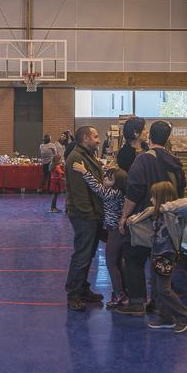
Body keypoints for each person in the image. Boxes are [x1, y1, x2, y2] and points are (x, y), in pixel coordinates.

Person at [116, 120, 186, 317]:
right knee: (160, 261)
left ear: (149, 136)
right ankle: (158, 302)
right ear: (168, 138)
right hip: (167, 222)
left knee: (133, 259)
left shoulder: (143, 160)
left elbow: (134, 190)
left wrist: (124, 216)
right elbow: (181, 191)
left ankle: (137, 303)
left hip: (143, 221)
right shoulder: (176, 163)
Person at [125, 180, 187, 333]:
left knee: (163, 289)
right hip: (156, 253)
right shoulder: (154, 211)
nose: (151, 200)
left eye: (154, 197)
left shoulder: (174, 213)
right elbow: (141, 216)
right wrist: (132, 220)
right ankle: (165, 317)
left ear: (162, 198)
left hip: (167, 254)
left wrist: (166, 207)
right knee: (156, 288)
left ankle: (183, 315)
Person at [73, 161, 128, 307]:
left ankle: (118, 293)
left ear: (117, 183)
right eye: (105, 177)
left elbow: (97, 188)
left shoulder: (112, 193)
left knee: (110, 263)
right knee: (119, 261)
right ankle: (125, 291)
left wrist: (84, 171)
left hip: (115, 231)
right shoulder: (120, 193)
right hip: (119, 231)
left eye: (109, 179)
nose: (104, 180)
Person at [63, 125, 105, 311]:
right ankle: (73, 294)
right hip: (83, 216)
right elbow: (80, 194)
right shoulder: (76, 158)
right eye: (95, 137)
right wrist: (89, 217)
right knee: (82, 254)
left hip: (92, 214)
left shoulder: (87, 155)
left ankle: (82, 288)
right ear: (86, 138)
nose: (98, 140)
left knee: (88, 254)